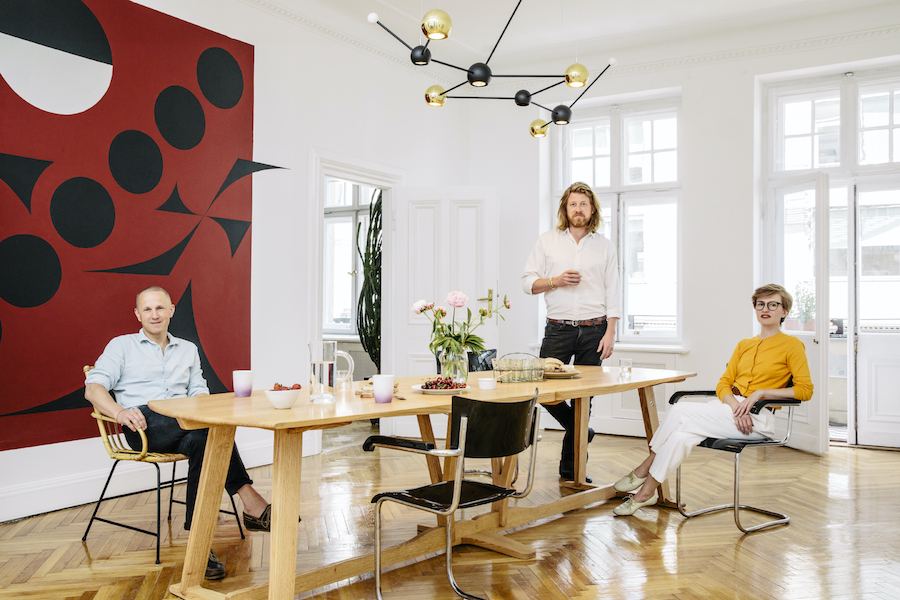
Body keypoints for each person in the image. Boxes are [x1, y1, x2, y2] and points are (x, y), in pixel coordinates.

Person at [85, 286, 276, 580]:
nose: (154, 315)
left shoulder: (187, 349)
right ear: (137, 315)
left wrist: (204, 406)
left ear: (172, 310)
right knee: (214, 429)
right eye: (147, 309)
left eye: (160, 308)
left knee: (205, 437)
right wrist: (120, 413)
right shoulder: (121, 346)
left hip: (186, 422)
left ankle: (199, 542)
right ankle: (250, 499)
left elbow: (198, 391)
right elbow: (93, 388)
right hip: (144, 426)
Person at [611, 283, 814, 516]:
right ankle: (645, 494)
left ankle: (643, 468)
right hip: (728, 411)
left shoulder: (792, 345)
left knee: (679, 411)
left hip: (757, 418)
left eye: (773, 304)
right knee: (679, 436)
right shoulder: (744, 345)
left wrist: (760, 394)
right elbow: (723, 383)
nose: (765, 309)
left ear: (784, 311)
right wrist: (735, 405)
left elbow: (804, 390)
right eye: (760, 304)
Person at [522, 182, 620, 482]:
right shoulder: (547, 241)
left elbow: (614, 290)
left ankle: (572, 470)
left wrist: (611, 332)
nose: (578, 209)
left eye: (584, 204)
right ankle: (579, 428)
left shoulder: (604, 246)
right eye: (573, 204)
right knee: (541, 391)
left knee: (584, 399)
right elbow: (528, 283)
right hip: (558, 329)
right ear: (565, 209)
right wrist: (556, 281)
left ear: (592, 210)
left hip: (595, 329)